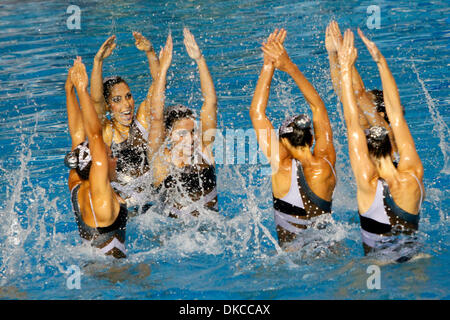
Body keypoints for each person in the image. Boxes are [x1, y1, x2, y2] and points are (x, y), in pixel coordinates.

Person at [337, 29, 424, 262]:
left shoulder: (366, 182)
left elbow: (351, 122)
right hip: (417, 261)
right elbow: (396, 116)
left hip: (377, 264)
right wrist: (380, 61)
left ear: (368, 150)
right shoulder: (414, 175)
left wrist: (345, 68)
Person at [250, 29, 337, 248]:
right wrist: (289, 65)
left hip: (292, 260)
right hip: (330, 252)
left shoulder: (279, 166)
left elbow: (257, 113)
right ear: (311, 140)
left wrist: (268, 65)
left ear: (284, 143)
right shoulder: (326, 162)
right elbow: (318, 108)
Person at [149, 28, 218, 218]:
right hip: (174, 234)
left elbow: (210, 101)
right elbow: (155, 116)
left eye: (193, 131)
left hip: (212, 232)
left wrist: (199, 59)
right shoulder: (160, 159)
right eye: (182, 134)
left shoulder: (203, 150)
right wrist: (163, 69)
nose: (191, 139)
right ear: (169, 135)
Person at [89, 32, 162, 210]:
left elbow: (159, 83)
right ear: (108, 106)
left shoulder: (142, 121)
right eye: (117, 100)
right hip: (124, 208)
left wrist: (150, 52)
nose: (126, 104)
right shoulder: (106, 132)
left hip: (152, 202)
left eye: (128, 96)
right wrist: (98, 62)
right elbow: (96, 102)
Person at [65, 57, 128, 259]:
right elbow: (93, 136)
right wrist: (82, 90)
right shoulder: (101, 194)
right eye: (110, 156)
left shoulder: (76, 183)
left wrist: (69, 90)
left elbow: (77, 135)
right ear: (97, 167)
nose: (115, 159)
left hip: (92, 270)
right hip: (117, 277)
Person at [325, 20, 398, 155]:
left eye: (363, 104)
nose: (356, 106)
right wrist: (332, 54)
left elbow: (358, 92)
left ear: (380, 115)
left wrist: (344, 54)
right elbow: (342, 92)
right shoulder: (362, 133)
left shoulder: (388, 136)